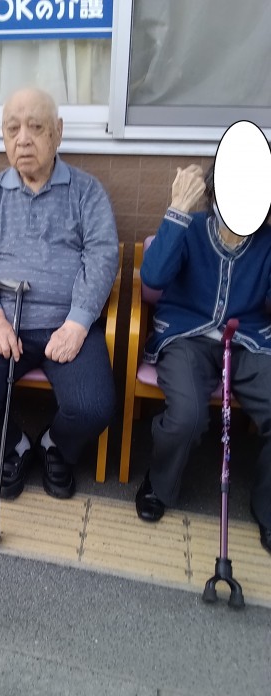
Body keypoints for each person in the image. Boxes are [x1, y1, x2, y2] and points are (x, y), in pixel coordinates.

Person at [0, 87, 118, 500]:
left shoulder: (87, 192)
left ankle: (55, 445)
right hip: (6, 321)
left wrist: (77, 323)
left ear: (57, 132)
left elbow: (102, 256)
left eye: (35, 127)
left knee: (94, 406)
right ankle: (15, 447)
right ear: (3, 137)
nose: (22, 139)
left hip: (68, 323)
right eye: (12, 129)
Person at [135, 163, 271, 556]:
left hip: (250, 340)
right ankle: (160, 484)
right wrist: (177, 208)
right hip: (186, 337)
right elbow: (153, 278)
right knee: (188, 416)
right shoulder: (191, 228)